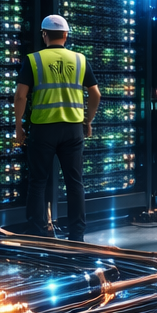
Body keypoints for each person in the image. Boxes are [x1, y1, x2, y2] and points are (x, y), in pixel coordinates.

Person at [14, 14, 101, 241]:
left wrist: (18, 126)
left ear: (44, 35)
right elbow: (95, 94)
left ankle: (37, 234)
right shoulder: (80, 60)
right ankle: (77, 236)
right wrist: (87, 120)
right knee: (75, 182)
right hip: (72, 129)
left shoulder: (33, 60)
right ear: (65, 35)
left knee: (38, 182)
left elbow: (20, 96)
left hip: (43, 129)